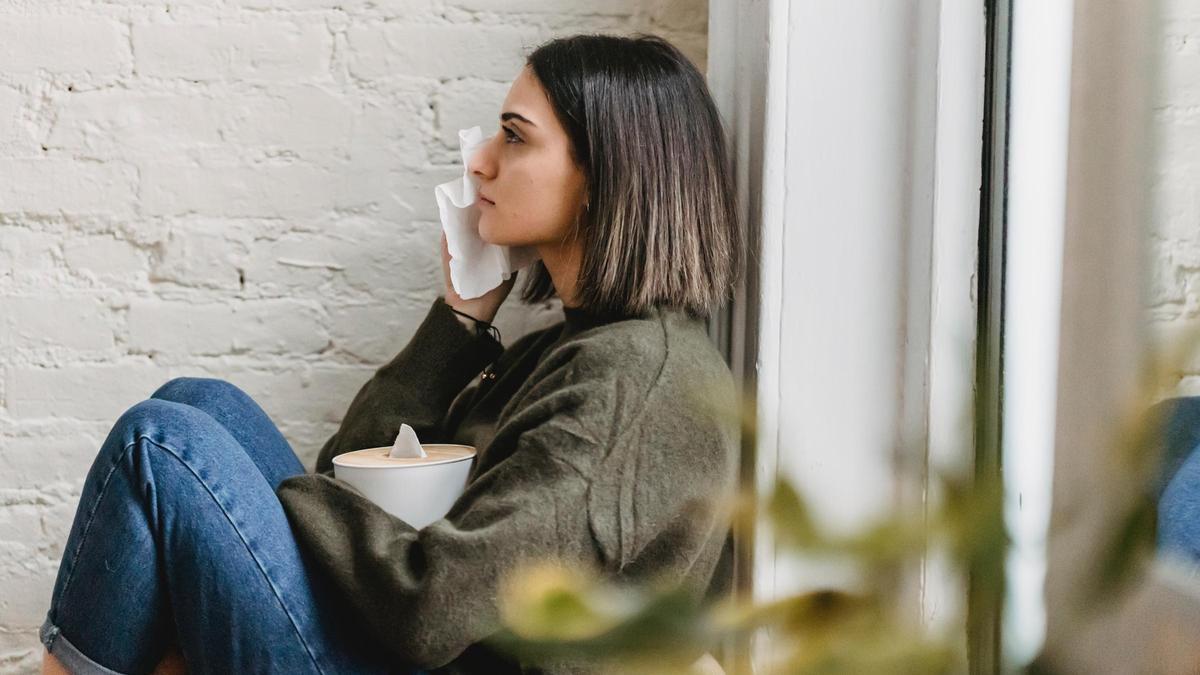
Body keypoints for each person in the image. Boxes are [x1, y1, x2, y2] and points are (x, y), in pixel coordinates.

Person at [40, 33, 745, 674]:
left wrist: (257, 501)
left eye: (513, 137)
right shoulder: (572, 346)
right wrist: (460, 320)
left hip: (415, 655)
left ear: (600, 178)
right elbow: (351, 467)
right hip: (402, 650)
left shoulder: (630, 384)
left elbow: (430, 606)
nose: (479, 162)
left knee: (161, 444)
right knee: (197, 404)